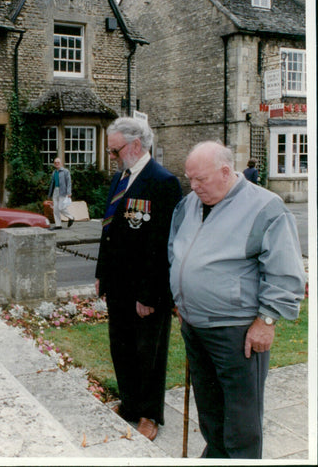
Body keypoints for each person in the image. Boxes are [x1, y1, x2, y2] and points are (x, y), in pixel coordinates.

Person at [168, 141, 304, 459]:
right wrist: (181, 297)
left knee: (241, 420)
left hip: (237, 332)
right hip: (195, 326)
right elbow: (176, 249)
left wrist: (267, 320)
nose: (193, 186)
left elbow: (285, 271)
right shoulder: (188, 204)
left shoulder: (266, 207)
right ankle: (216, 455)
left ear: (226, 172)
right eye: (190, 178)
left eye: (200, 179)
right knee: (210, 410)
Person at [95, 117, 182, 441]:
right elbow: (109, 231)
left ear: (134, 145)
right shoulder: (121, 178)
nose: (112, 157)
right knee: (121, 347)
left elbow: (162, 245)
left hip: (146, 289)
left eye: (114, 151)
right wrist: (102, 275)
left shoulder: (162, 182)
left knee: (149, 352)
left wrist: (150, 294)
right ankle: (130, 405)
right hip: (118, 285)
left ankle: (150, 414)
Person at [47, 158, 75, 229]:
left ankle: (71, 217)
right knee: (55, 209)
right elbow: (52, 184)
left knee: (61, 207)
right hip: (55, 191)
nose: (57, 164)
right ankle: (58, 225)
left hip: (63, 191)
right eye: (55, 162)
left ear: (61, 163)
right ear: (54, 164)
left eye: (58, 162)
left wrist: (69, 192)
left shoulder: (65, 171)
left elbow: (68, 182)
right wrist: (49, 194)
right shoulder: (54, 172)